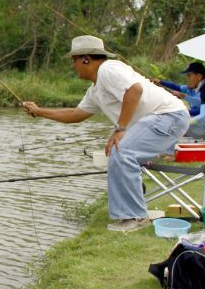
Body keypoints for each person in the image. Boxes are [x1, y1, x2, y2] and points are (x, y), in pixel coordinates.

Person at [22, 35, 189, 233]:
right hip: (161, 120)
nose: (73, 65)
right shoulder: (95, 90)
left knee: (123, 150)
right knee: (117, 152)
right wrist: (40, 111)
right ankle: (127, 216)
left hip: (169, 116)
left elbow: (134, 90)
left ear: (86, 59)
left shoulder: (108, 69)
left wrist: (120, 130)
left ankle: (136, 217)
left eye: (74, 60)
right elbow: (75, 115)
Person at [155, 62, 205, 144]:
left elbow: (203, 116)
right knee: (177, 121)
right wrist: (184, 97)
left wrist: (186, 121)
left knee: (173, 125)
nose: (188, 78)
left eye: (189, 75)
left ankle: (170, 153)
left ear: (199, 76)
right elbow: (201, 104)